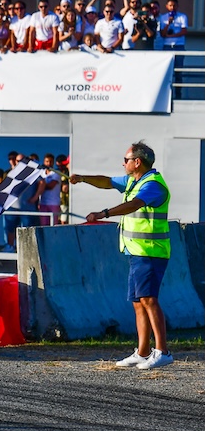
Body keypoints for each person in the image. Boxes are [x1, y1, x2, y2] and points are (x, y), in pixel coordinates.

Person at [69, 141, 174, 370]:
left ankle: (163, 351)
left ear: (137, 162)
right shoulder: (133, 181)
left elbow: (134, 205)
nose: (123, 163)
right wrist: (83, 178)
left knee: (149, 300)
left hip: (150, 251)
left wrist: (104, 213)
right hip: (136, 251)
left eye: (126, 159)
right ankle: (143, 352)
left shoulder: (152, 185)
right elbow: (107, 181)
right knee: (138, 302)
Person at [30, 153, 61, 226]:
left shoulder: (56, 173)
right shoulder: (41, 173)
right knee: (43, 225)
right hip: (43, 203)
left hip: (53, 203)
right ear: (44, 162)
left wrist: (41, 185)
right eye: (47, 161)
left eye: (51, 161)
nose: (49, 163)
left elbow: (51, 186)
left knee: (53, 226)